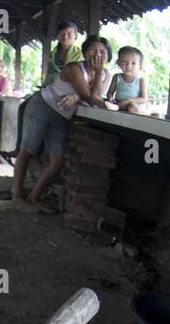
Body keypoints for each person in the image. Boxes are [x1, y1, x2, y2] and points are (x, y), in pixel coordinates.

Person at [12, 35, 111, 212]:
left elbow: (92, 98)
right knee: (28, 149)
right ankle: (17, 196)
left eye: (102, 52)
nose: (97, 55)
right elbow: (91, 97)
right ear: (84, 52)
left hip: (62, 116)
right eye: (93, 50)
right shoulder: (74, 68)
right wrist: (88, 91)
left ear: (108, 56)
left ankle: (34, 197)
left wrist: (94, 78)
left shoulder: (105, 74)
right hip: (43, 106)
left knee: (58, 160)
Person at [107, 46, 148, 113]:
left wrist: (128, 101)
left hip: (132, 103)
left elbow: (144, 99)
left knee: (133, 108)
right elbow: (110, 93)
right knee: (106, 104)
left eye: (133, 63)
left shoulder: (140, 80)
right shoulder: (117, 77)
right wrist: (110, 99)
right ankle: (116, 107)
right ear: (119, 63)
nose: (128, 66)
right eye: (124, 61)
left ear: (140, 66)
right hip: (118, 102)